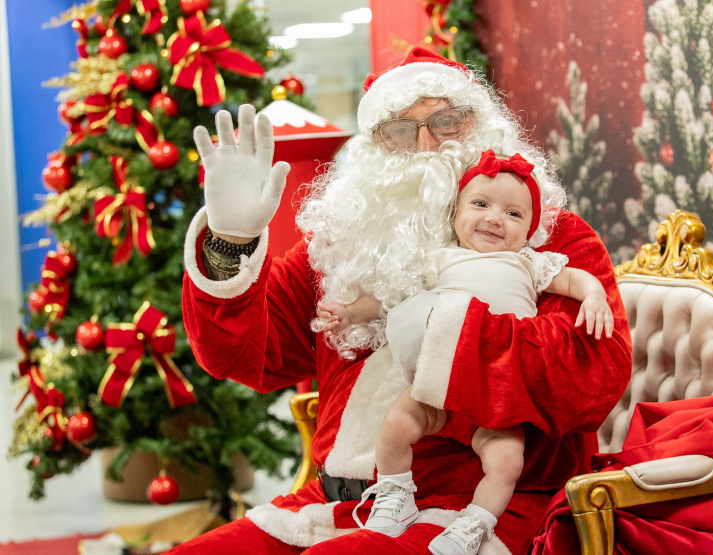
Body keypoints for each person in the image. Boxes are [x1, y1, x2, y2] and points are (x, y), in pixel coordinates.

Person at [175, 47, 631, 555]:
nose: (425, 145)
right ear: (373, 149)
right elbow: (245, 355)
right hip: (332, 507)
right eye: (399, 130)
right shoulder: (345, 242)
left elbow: (591, 376)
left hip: (474, 509)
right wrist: (229, 242)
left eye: (445, 121)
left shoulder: (546, 236)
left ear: (482, 126)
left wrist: (437, 322)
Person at [314, 150, 614, 555]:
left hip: (495, 392)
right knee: (396, 426)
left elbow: (575, 279)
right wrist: (349, 312)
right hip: (437, 378)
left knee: (506, 461)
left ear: (529, 231)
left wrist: (594, 295)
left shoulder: (527, 263)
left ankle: (475, 523)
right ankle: (395, 494)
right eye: (480, 204)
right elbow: (390, 297)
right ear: (454, 216)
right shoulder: (441, 258)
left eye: (513, 214)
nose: (494, 218)